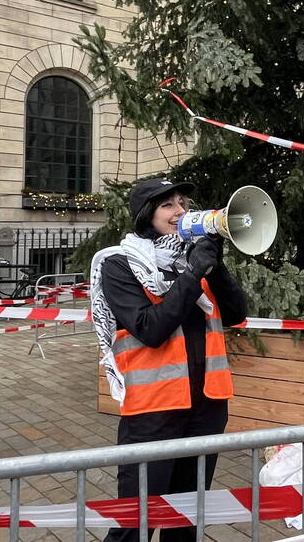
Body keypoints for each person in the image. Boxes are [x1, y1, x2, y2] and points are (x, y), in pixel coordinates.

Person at [91, 178, 248, 542]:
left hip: (205, 406)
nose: (181, 211)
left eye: (183, 202)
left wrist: (216, 267)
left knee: (185, 520)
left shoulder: (189, 258)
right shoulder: (120, 264)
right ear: (147, 214)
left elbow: (236, 314)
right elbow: (150, 328)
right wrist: (193, 274)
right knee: (136, 519)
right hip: (153, 412)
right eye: (168, 205)